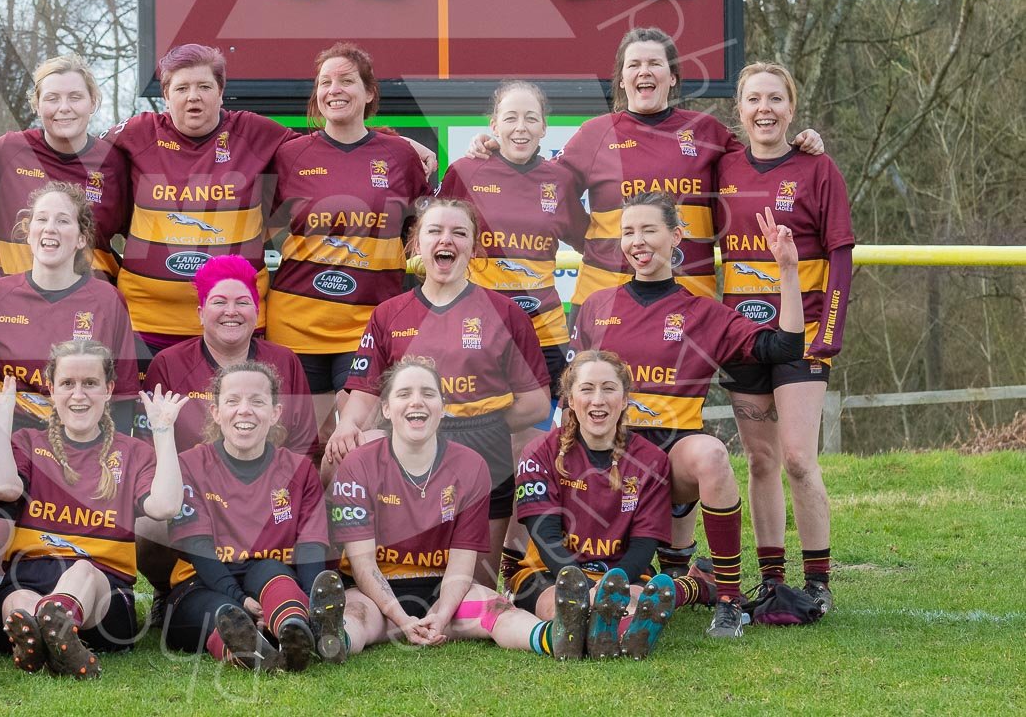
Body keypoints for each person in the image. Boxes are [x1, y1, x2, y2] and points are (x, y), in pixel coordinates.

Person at [570, 191, 806, 638]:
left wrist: (788, 271)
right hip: (608, 462)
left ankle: (730, 602)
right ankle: (689, 583)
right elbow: (575, 395)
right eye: (628, 232)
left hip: (667, 464)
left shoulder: (703, 312)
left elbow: (785, 347)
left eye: (648, 230)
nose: (637, 241)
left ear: (676, 235)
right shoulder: (597, 306)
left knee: (713, 454)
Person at [111, 42, 436, 358]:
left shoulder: (252, 131)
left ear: (221, 92)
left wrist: (400, 144)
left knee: (236, 413)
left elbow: (335, 146)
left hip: (236, 324)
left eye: (204, 86)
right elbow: (81, 149)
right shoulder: (138, 133)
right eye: (181, 88)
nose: (193, 97)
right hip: (144, 322)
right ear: (166, 95)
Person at [468, 27, 820, 303]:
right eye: (634, 65)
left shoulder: (706, 131)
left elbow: (763, 164)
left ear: (673, 77)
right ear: (621, 79)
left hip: (688, 301)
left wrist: (802, 142)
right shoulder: (594, 135)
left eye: (655, 64)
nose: (644, 71)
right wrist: (497, 152)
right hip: (603, 300)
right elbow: (540, 185)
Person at [326, 198, 552, 583]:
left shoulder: (505, 313)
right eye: (434, 231)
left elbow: (536, 403)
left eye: (459, 232)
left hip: (481, 446)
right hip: (407, 442)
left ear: (475, 247)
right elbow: (363, 390)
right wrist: (347, 425)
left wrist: (483, 421)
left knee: (474, 590)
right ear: (416, 244)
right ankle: (333, 576)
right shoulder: (388, 313)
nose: (445, 240)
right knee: (337, 456)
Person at [717, 62, 854, 615]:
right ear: (741, 109)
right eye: (754, 99)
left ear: (792, 109)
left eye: (776, 98)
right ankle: (772, 581)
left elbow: (841, 252)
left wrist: (832, 331)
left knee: (799, 457)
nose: (765, 108)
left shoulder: (818, 167)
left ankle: (818, 580)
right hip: (742, 337)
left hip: (804, 335)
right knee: (760, 461)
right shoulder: (721, 165)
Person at [0, 340, 188, 679]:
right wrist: (1, 420)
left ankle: (53, 625)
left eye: (90, 384)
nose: (79, 394)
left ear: (107, 390)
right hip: (29, 574)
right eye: (67, 384)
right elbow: (3, 487)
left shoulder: (133, 452)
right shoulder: (28, 443)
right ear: (51, 389)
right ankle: (47, 634)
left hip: (104, 595)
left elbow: (165, 506)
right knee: (18, 602)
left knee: (83, 572)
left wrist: (163, 432)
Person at [329, 359, 553, 656]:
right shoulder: (358, 464)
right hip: (376, 599)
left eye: (428, 393)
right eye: (404, 394)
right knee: (354, 617)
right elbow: (364, 566)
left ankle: (557, 637)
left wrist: (442, 616)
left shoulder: (471, 466)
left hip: (445, 592)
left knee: (498, 610)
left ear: (443, 405)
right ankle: (333, 641)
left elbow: (462, 565)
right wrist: (401, 619)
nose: (417, 402)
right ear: (385, 408)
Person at [267, 43, 429, 405]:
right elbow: (259, 226)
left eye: (346, 80)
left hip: (369, 323)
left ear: (369, 92)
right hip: (294, 322)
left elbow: (424, 229)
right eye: (325, 82)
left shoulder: (400, 155)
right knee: (309, 445)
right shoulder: (289, 155)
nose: (333, 90)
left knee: (356, 435)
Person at [162, 361, 347, 671]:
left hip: (272, 581)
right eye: (232, 401)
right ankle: (251, 652)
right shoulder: (190, 465)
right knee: (222, 612)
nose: (244, 410)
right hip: (203, 584)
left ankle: (297, 625)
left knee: (271, 570)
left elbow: (309, 548)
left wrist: (307, 596)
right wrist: (240, 600)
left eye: (257, 401)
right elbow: (200, 551)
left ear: (274, 412)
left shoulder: (299, 470)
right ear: (216, 411)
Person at [509, 351, 692, 660]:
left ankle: (613, 629)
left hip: (622, 574)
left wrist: (611, 583)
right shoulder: (539, 451)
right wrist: (582, 587)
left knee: (634, 596)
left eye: (608, 388)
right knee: (555, 601)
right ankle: (589, 627)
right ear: (569, 397)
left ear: (624, 400)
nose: (598, 399)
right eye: (587, 389)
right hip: (552, 571)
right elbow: (545, 536)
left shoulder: (652, 461)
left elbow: (644, 546)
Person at [441, 80, 588, 389]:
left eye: (531, 118)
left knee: (538, 433)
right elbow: (433, 243)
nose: (521, 127)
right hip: (477, 330)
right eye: (510, 118)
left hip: (546, 333)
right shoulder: (465, 171)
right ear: (494, 125)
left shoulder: (559, 180)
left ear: (544, 127)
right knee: (482, 431)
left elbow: (592, 242)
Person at [0, 182, 139, 431]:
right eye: (41, 219)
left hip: (82, 446)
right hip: (9, 444)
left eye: (62, 221)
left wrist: (115, 460)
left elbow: (122, 395)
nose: (50, 229)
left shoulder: (108, 301)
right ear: (29, 232)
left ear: (82, 238)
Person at [142, 255, 318, 460]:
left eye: (242, 302)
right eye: (219, 302)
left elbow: (305, 450)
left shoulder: (284, 361)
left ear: (257, 311)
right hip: (189, 486)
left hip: (272, 488)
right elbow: (150, 450)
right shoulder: (168, 365)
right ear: (201, 313)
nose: (231, 311)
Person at [0, 55, 129, 279]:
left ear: (92, 102)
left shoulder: (114, 162)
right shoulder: (10, 150)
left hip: (91, 307)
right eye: (52, 98)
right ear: (37, 104)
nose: (64, 108)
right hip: (16, 307)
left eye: (75, 97)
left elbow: (140, 235)